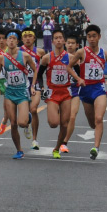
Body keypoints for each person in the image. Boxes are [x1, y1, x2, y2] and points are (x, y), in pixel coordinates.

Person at [68, 24, 107, 160]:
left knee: (99, 118)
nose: (91, 39)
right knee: (93, 123)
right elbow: (68, 67)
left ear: (99, 37)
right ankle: (96, 135)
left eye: (94, 36)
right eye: (89, 36)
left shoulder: (105, 54)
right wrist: (78, 78)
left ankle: (96, 147)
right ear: (86, 38)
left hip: (99, 88)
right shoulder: (81, 52)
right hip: (85, 90)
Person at [0, 30, 37, 159]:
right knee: (13, 123)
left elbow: (35, 70)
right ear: (6, 41)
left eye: (13, 38)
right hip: (9, 92)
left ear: (18, 41)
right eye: (9, 38)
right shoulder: (2, 58)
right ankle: (19, 150)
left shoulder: (25, 56)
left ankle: (27, 118)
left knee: (22, 123)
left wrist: (32, 86)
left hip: (22, 92)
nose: (11, 41)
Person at [35, 29, 80, 159]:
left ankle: (57, 148)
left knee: (65, 124)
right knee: (54, 123)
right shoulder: (46, 58)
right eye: (56, 38)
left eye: (61, 38)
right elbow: (39, 75)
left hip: (66, 92)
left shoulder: (71, 58)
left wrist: (78, 80)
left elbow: (78, 74)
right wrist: (42, 87)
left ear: (64, 41)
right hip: (53, 93)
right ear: (53, 41)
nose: (59, 40)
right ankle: (56, 112)